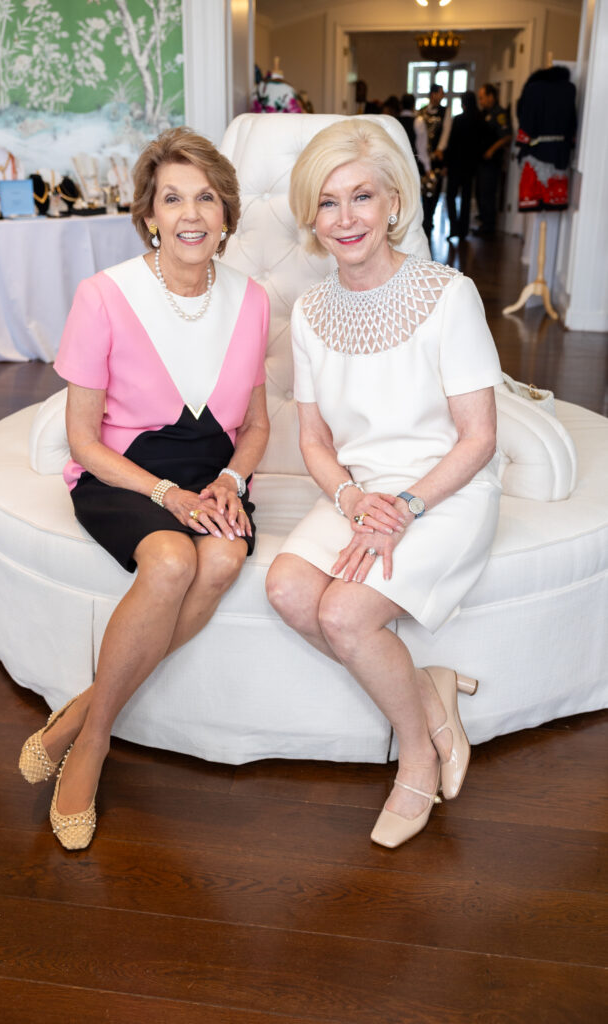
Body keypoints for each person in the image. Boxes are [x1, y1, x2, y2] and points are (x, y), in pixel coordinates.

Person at [18, 128, 270, 850]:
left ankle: (77, 717)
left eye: (205, 196)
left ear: (225, 212)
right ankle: (94, 746)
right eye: (172, 198)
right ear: (149, 214)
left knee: (220, 558)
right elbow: (83, 441)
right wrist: (167, 496)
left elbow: (255, 425)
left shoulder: (251, 301)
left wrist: (228, 479)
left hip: (212, 476)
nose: (190, 213)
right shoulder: (104, 296)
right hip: (124, 472)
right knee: (171, 560)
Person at [266, 119, 502, 849]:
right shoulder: (308, 312)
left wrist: (400, 509)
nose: (346, 219)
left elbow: (479, 438)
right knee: (286, 589)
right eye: (328, 203)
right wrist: (348, 498)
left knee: (343, 614)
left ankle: (418, 754)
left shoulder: (447, 294)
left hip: (445, 489)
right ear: (310, 216)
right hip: (360, 489)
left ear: (393, 202)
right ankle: (428, 690)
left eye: (360, 197)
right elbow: (313, 439)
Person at [445, 91, 485, 240]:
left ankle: (454, 227)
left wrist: (446, 164)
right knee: (466, 199)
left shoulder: (459, 120)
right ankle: (463, 230)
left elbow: (452, 144)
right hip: (471, 166)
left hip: (456, 165)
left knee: (450, 196)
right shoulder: (480, 120)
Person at [475, 83, 512, 235]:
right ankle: (483, 221)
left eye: (483, 98)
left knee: (488, 194)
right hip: (481, 161)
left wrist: (492, 150)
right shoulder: (484, 113)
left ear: (491, 96)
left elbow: (507, 136)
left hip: (492, 162)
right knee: (480, 192)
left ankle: (489, 227)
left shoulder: (500, 113)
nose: (481, 101)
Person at [418, 82, 452, 239]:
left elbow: (446, 132)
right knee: (422, 187)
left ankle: (430, 217)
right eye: (441, 92)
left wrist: (440, 149)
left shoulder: (446, 112)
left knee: (435, 187)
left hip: (437, 157)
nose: (443, 96)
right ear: (433, 94)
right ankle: (423, 217)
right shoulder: (421, 111)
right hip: (423, 156)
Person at [398, 93, 430, 177]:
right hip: (413, 166)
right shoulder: (418, 121)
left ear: (401, 105)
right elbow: (422, 148)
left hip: (397, 166)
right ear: (413, 105)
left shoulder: (394, 121)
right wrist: (427, 168)